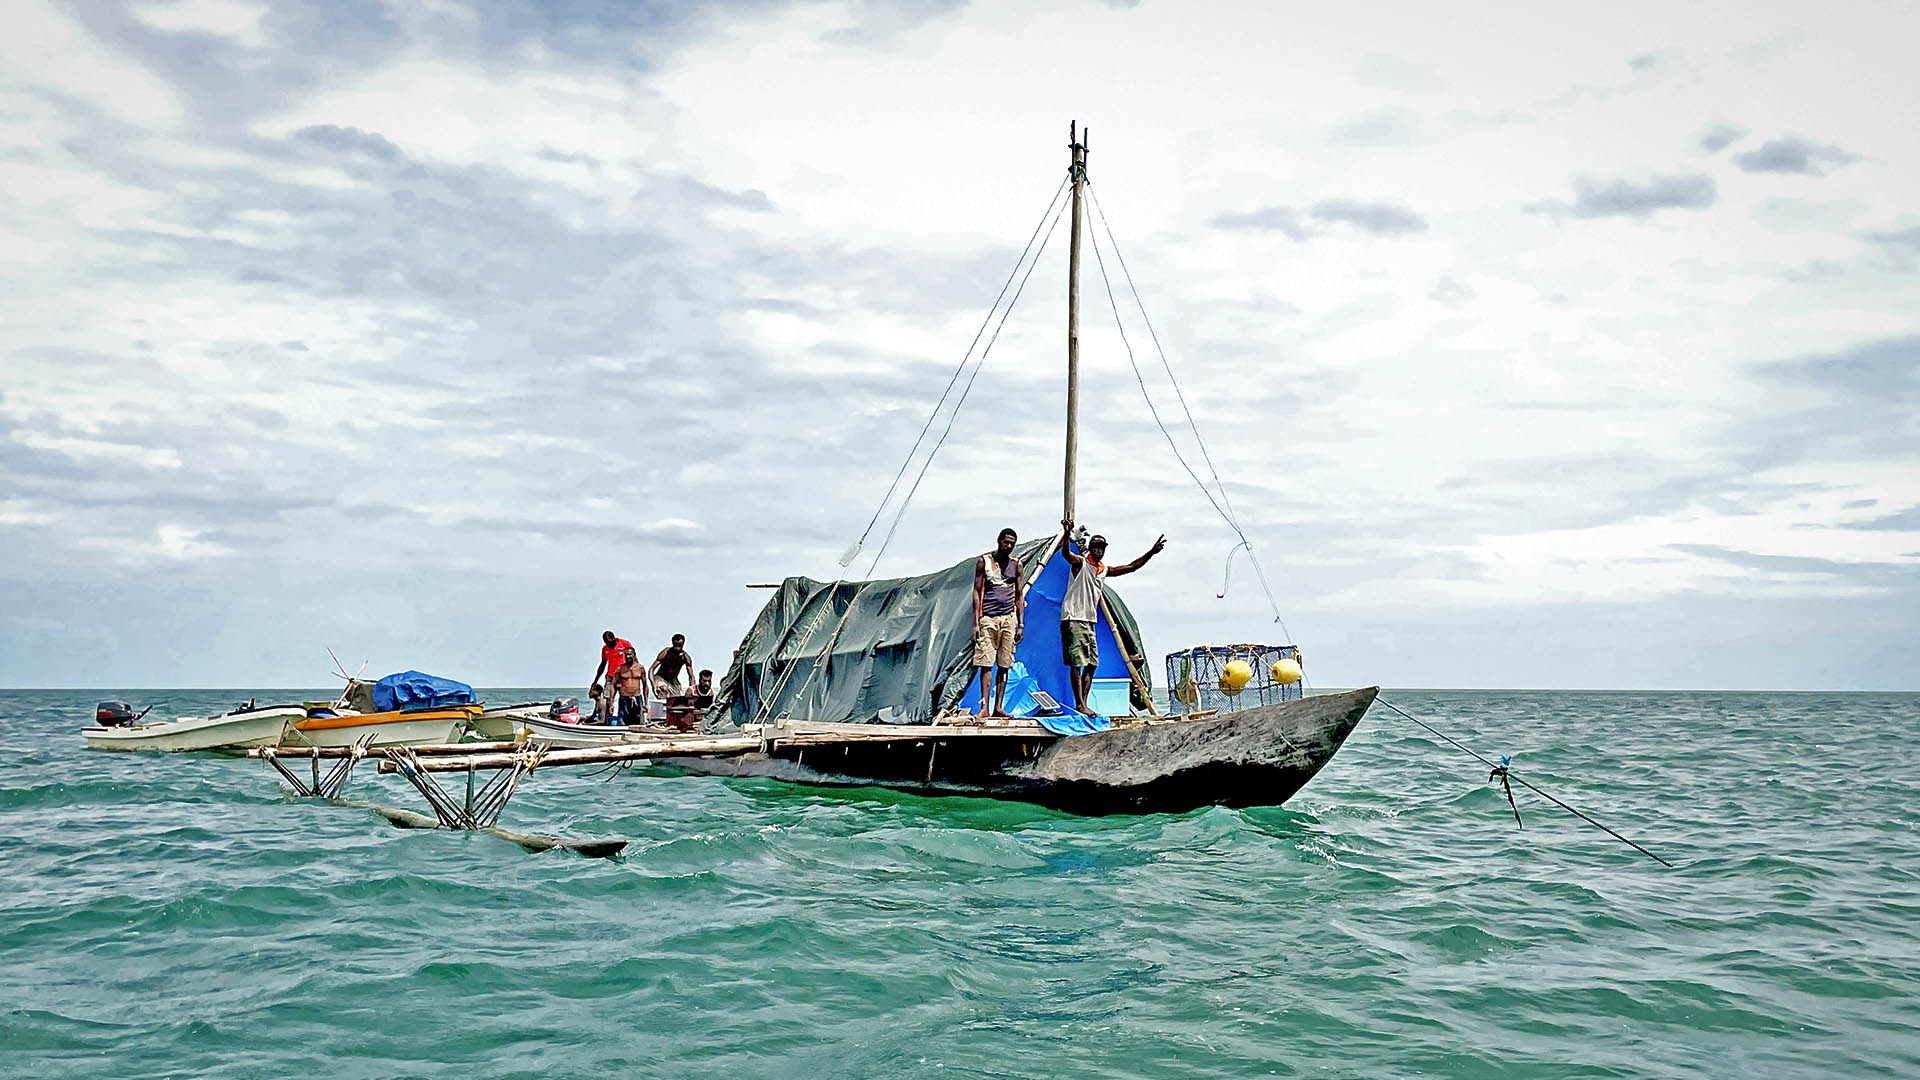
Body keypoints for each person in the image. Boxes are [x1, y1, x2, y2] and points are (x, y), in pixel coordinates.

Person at [1058, 518, 1165, 714]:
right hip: (1073, 617)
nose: (1099, 551)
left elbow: (1131, 567)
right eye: (1096, 547)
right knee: (1076, 663)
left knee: (1092, 664)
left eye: (1102, 548)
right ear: (1090, 549)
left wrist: (1152, 551)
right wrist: (1066, 534)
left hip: (1089, 621)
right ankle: (1079, 704)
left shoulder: (1103, 570)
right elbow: (1066, 553)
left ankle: (1084, 703)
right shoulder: (1081, 563)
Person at [972, 527, 1025, 718]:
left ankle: (998, 707)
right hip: (988, 618)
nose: (1008, 546)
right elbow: (977, 592)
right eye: (1006, 542)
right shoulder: (984, 561)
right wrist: (976, 623)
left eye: (1012, 543)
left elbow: (1019, 595)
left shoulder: (1016, 565)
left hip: (1008, 619)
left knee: (1004, 664)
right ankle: (984, 707)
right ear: (999, 541)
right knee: (986, 663)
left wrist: (1020, 623)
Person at [592, 629, 634, 721]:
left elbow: (633, 659)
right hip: (610, 676)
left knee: (625, 698)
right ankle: (606, 720)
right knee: (608, 698)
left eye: (610, 643)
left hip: (623, 676)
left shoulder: (624, 644)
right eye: (607, 643)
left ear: (614, 639)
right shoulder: (605, 649)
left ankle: (624, 719)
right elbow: (602, 665)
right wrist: (595, 680)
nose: (609, 645)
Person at [613, 646, 649, 726]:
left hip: (637, 698)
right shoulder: (620, 669)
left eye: (630, 654)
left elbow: (645, 686)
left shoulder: (640, 668)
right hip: (624, 699)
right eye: (626, 655)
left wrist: (646, 703)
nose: (628, 657)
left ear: (634, 655)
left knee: (638, 724)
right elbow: (614, 686)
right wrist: (611, 703)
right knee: (622, 723)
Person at [650, 633, 694, 699]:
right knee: (663, 689)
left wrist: (692, 689)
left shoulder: (685, 657)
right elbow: (651, 670)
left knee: (677, 700)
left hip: (673, 681)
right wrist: (654, 685)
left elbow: (691, 676)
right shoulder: (666, 652)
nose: (677, 648)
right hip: (660, 677)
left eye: (679, 646)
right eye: (675, 645)